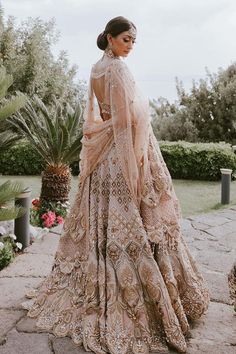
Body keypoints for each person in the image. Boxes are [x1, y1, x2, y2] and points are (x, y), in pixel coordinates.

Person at [24, 16, 210, 354]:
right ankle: (144, 299)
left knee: (106, 224)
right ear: (110, 39)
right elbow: (124, 124)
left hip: (103, 157)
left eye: (133, 41)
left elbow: (104, 115)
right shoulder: (118, 70)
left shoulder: (96, 69)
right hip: (122, 154)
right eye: (125, 39)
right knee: (138, 222)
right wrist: (135, 172)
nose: (130, 46)